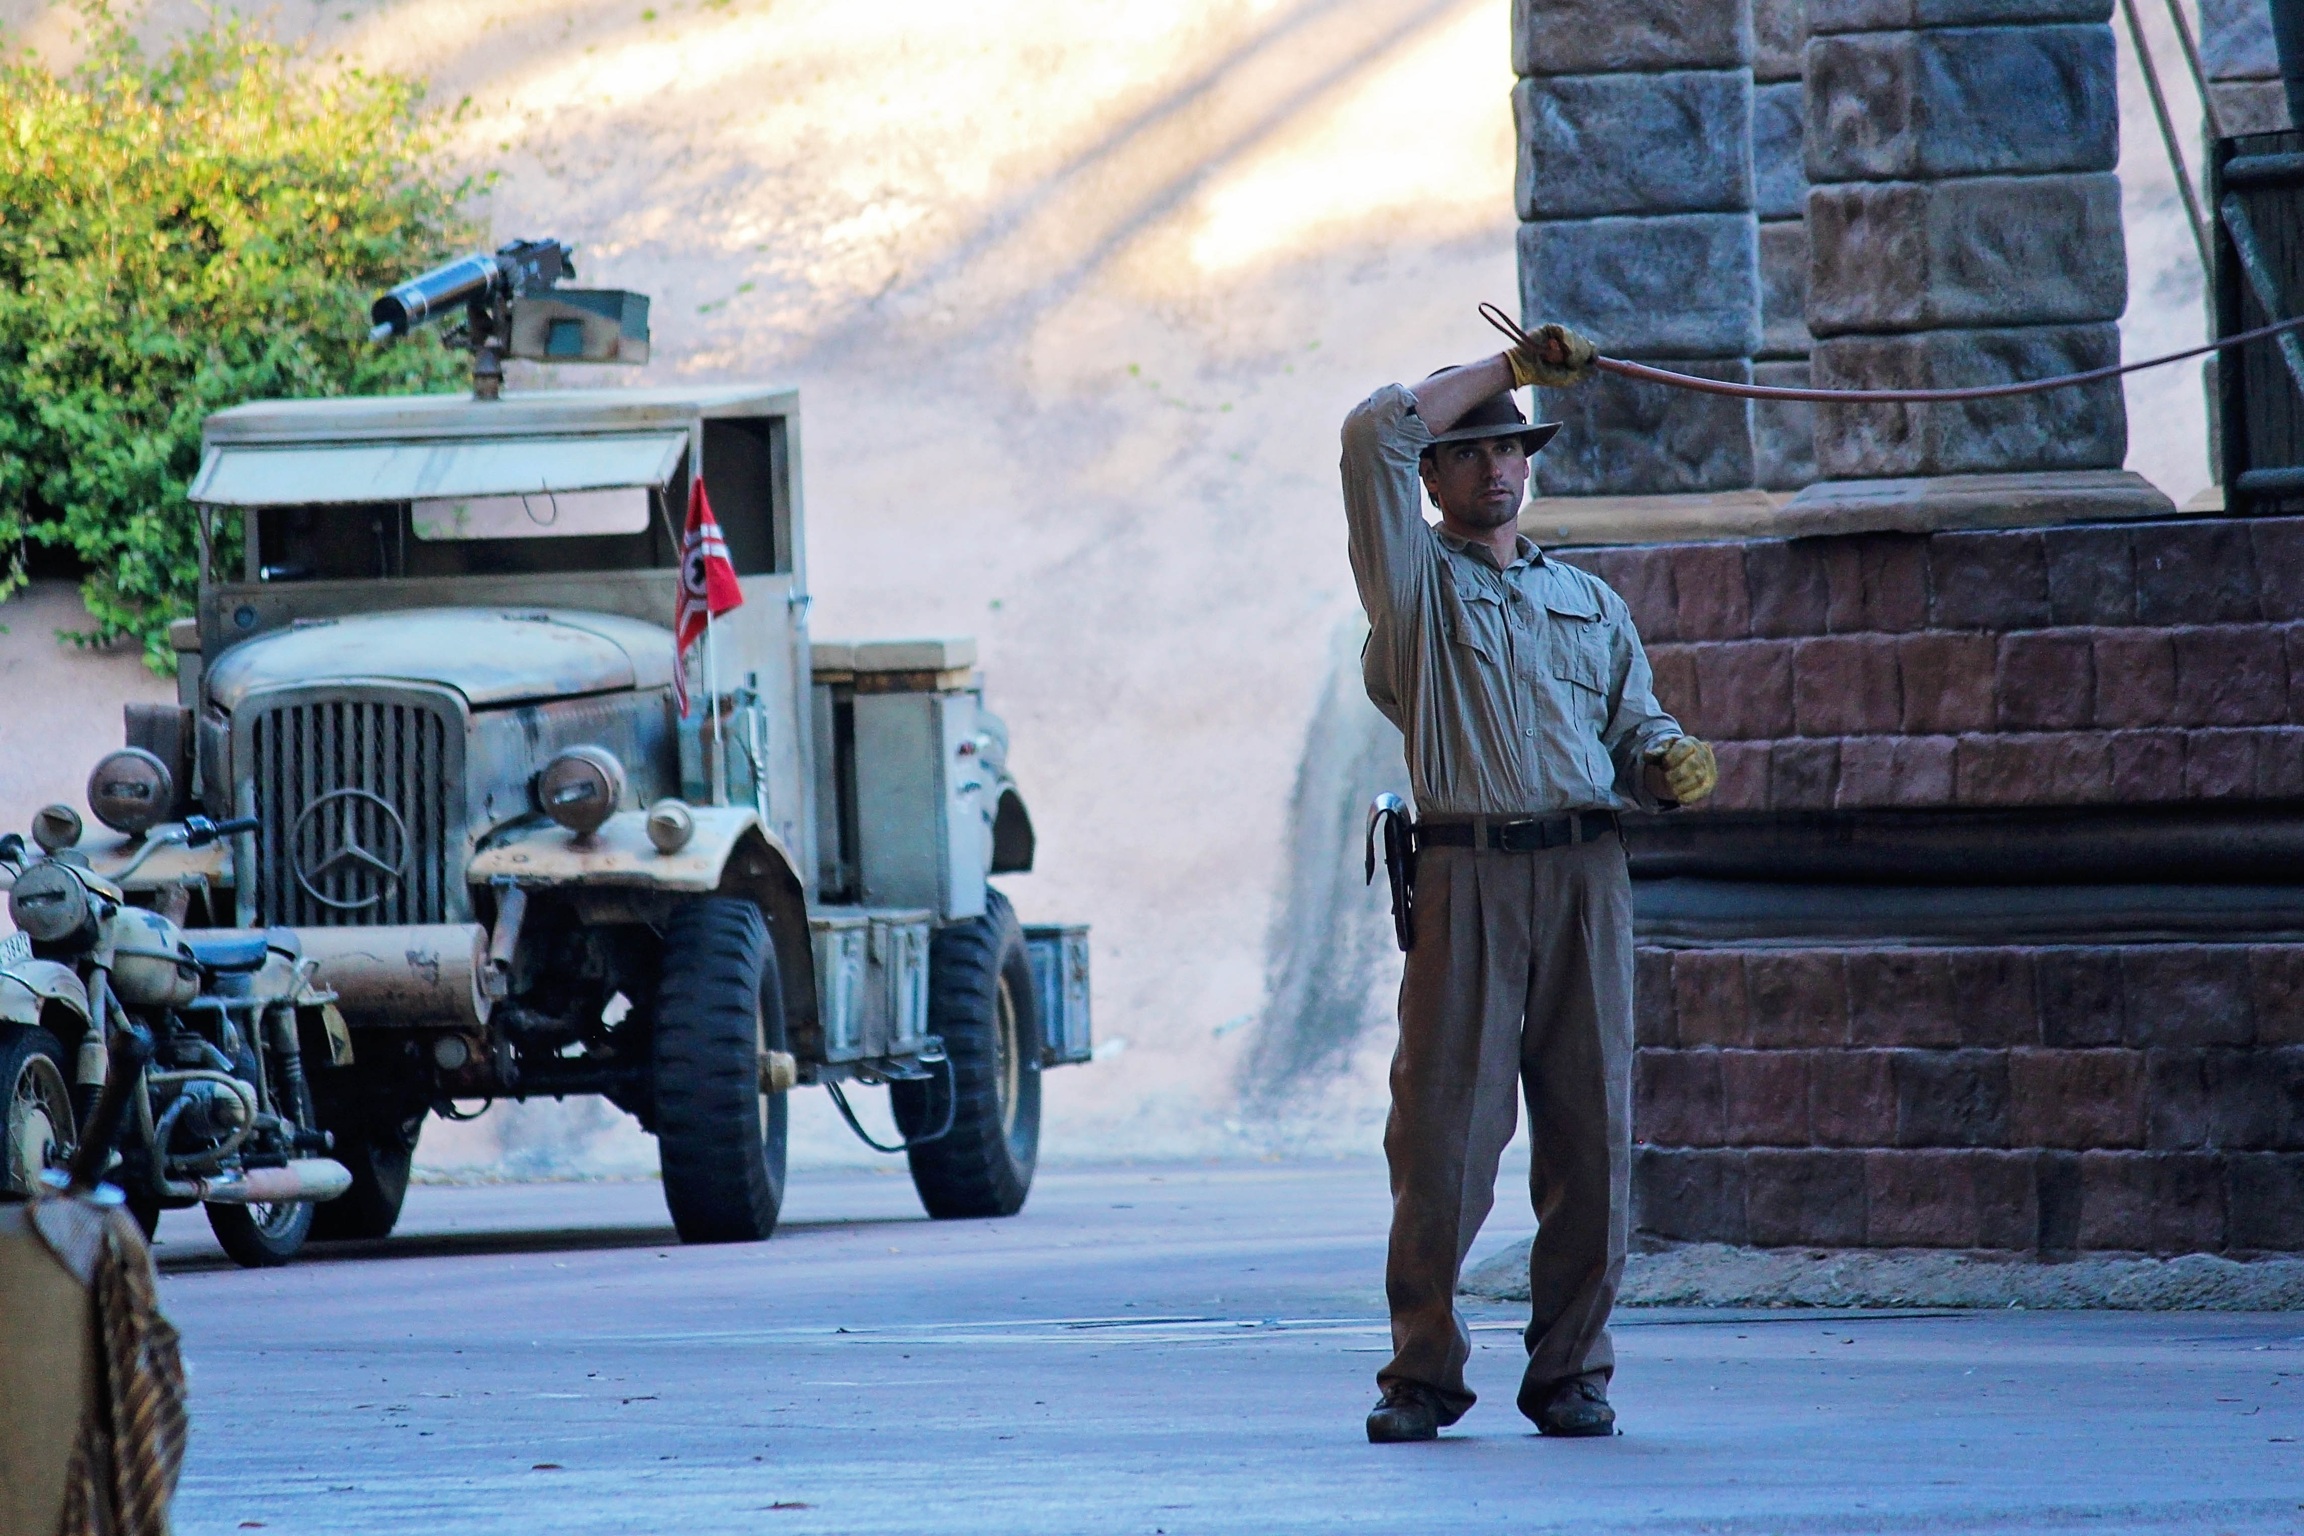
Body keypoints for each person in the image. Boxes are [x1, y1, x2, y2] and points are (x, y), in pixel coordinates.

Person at [1340, 324, 1718, 1444]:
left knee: (1593, 1134)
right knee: (1444, 1141)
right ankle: (1421, 1376)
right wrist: (1509, 369)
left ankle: (1572, 1374)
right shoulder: (1413, 594)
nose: (1499, 467)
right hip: (1468, 876)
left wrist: (1664, 762)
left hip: (1588, 875)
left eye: (1515, 450)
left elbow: (1634, 723)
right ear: (1437, 476)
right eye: (1473, 452)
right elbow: (1369, 432)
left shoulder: (1593, 604)